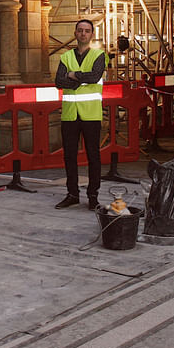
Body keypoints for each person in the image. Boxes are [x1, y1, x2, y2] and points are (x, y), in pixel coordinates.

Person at [54, 19, 108, 210]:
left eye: (87, 31)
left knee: (93, 156)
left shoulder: (99, 55)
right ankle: (72, 194)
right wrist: (80, 79)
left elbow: (95, 76)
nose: (83, 34)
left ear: (91, 34)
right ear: (75, 33)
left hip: (91, 114)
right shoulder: (65, 57)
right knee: (69, 156)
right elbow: (59, 82)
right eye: (80, 30)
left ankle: (93, 196)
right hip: (69, 115)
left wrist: (73, 76)